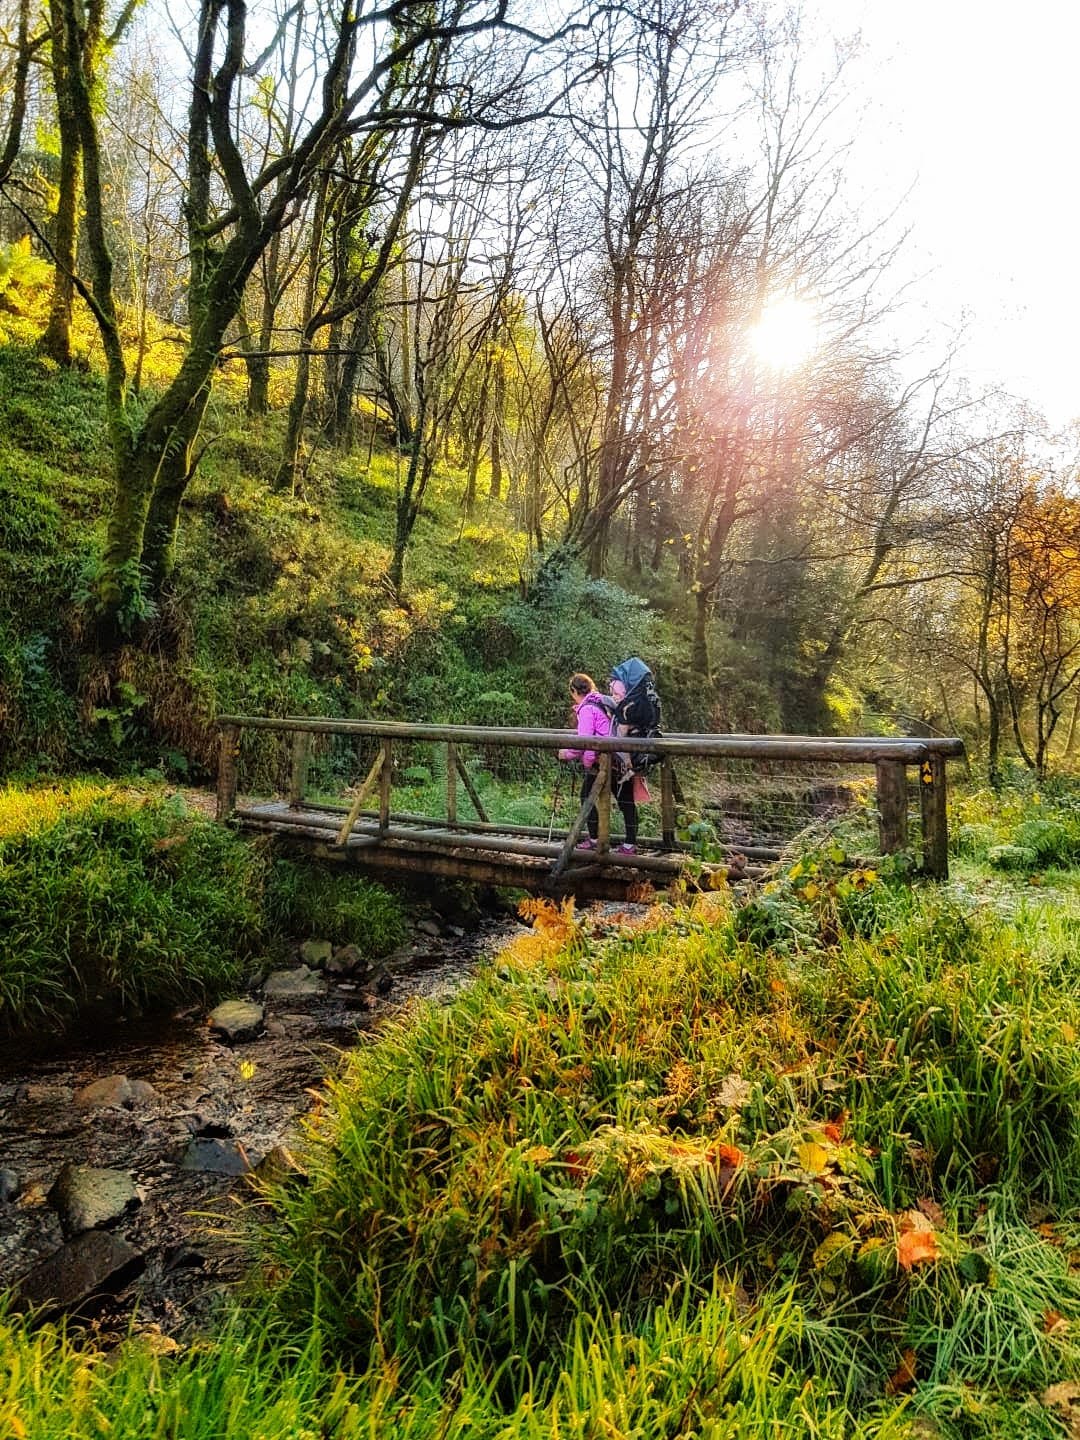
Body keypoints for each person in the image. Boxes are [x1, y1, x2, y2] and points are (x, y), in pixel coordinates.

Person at [557, 673, 637, 852]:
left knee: (587, 797)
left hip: (604, 762)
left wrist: (566, 754)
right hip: (622, 758)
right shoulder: (604, 700)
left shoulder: (587, 709)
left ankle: (595, 839)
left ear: (574, 691)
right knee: (626, 802)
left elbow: (584, 743)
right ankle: (630, 844)